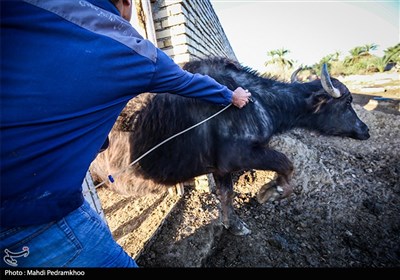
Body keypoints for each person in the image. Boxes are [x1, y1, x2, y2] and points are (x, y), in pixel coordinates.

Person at [0, 0, 251, 268]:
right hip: (28, 217)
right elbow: (188, 82)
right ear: (126, 4)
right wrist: (230, 94)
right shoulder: (130, 47)